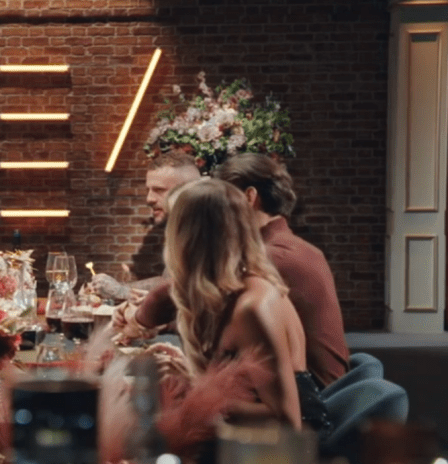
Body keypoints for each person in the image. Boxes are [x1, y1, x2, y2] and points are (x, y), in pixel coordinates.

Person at [119, 154, 349, 387]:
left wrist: (139, 317)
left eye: (221, 202)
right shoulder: (292, 247)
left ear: (249, 197)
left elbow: (186, 291)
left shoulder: (270, 257)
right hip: (294, 386)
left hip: (313, 396)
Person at [161, 179, 327, 430]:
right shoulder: (230, 290)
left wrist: (197, 392)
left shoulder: (253, 307)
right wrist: (191, 375)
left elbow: (288, 421)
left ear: (188, 238)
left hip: (292, 449)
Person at [92, 151, 202, 299]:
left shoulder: (206, 231)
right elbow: (167, 282)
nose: (149, 199)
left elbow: (187, 293)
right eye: (148, 190)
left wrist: (122, 292)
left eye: (159, 190)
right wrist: (119, 287)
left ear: (188, 191)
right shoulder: (185, 227)